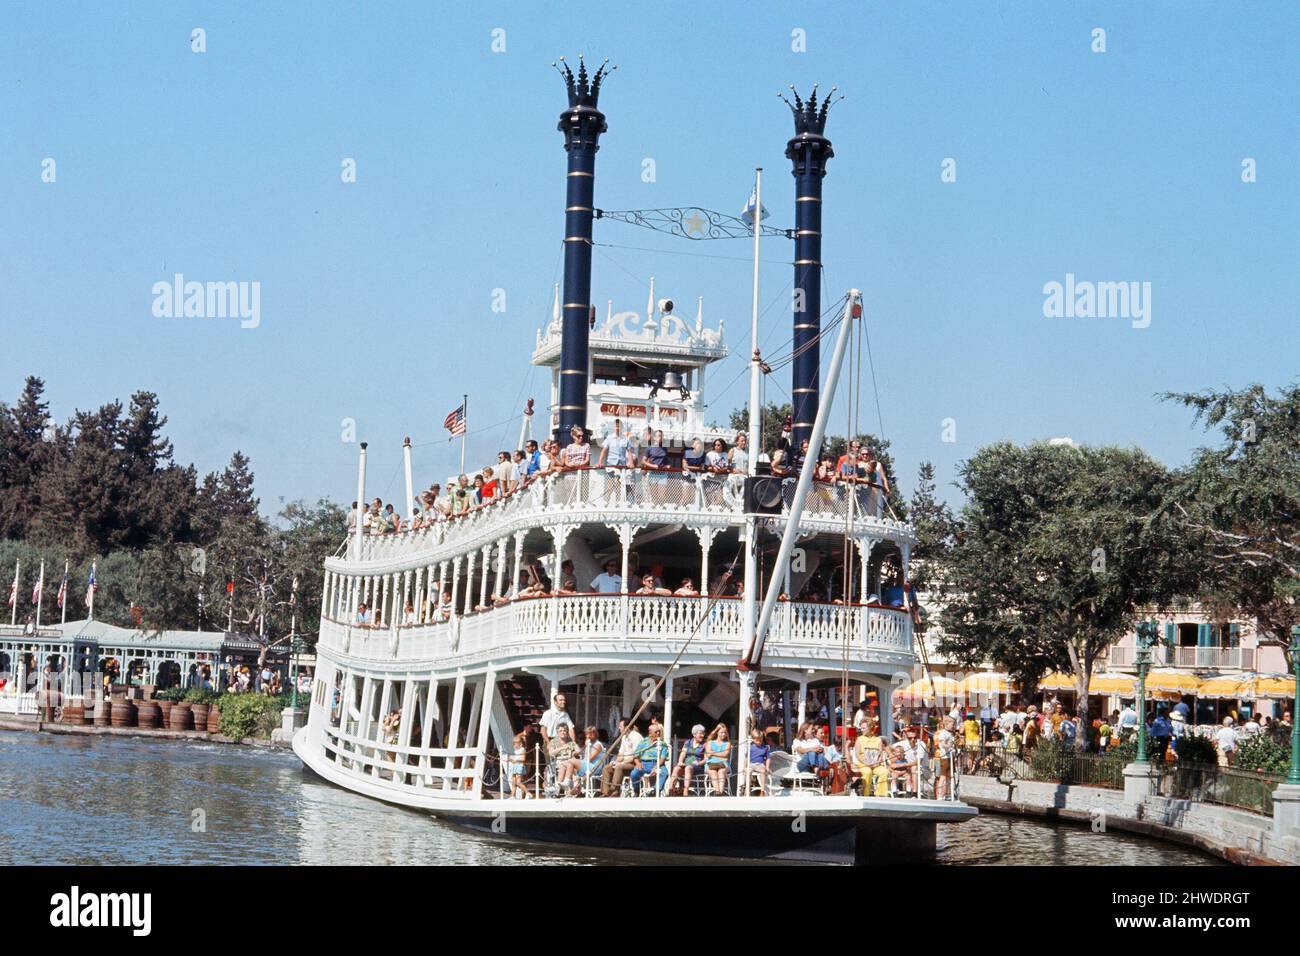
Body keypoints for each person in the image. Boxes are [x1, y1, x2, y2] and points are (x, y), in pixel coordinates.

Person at [600, 719, 643, 796]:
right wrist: (615, 762)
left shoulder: (636, 737)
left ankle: (614, 790)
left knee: (619, 767)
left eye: (620, 726)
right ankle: (605, 792)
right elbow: (621, 754)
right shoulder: (624, 737)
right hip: (624, 763)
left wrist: (621, 763)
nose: (619, 728)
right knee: (607, 768)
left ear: (627, 727)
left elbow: (635, 756)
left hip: (634, 763)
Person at [628, 724, 670, 794]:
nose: (658, 733)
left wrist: (656, 767)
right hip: (644, 764)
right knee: (634, 773)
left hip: (658, 764)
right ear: (650, 732)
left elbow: (662, 759)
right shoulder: (643, 742)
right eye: (656, 732)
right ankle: (636, 790)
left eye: (659, 731)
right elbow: (635, 756)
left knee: (664, 772)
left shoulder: (662, 744)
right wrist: (638, 764)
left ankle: (655, 791)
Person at [853, 720, 890, 797]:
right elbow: (857, 754)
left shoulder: (878, 740)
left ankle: (880, 794)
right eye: (861, 728)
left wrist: (877, 763)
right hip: (863, 764)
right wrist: (866, 763)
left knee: (884, 772)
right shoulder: (859, 739)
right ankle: (866, 793)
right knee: (867, 772)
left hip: (875, 764)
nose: (861, 730)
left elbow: (880, 754)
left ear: (870, 728)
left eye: (864, 728)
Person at [670, 724, 708, 795]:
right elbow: (683, 754)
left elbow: (706, 759)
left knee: (688, 768)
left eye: (703, 733)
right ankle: (671, 789)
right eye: (700, 733)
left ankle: (685, 790)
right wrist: (680, 762)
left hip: (697, 766)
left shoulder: (704, 744)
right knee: (676, 768)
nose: (702, 735)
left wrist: (699, 763)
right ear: (694, 734)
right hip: (686, 763)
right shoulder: (688, 742)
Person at [570, 726, 605, 796]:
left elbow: (589, 758)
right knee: (571, 765)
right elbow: (583, 755)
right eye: (587, 734)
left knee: (573, 762)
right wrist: (577, 752)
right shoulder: (590, 744)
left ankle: (577, 788)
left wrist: (587, 746)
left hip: (595, 767)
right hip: (588, 765)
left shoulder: (597, 745)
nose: (588, 736)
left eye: (591, 734)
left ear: (595, 734)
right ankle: (577, 789)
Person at [548, 725, 581, 796]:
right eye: (561, 731)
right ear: (557, 732)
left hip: (569, 759)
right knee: (568, 765)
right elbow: (551, 753)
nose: (563, 732)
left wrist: (574, 752)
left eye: (564, 731)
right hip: (559, 760)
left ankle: (565, 786)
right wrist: (562, 748)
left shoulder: (570, 741)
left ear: (567, 732)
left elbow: (578, 750)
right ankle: (572, 787)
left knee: (571, 764)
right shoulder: (553, 742)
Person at [705, 724, 732, 795]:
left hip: (723, 763)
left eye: (725, 732)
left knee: (721, 772)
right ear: (717, 732)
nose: (723, 734)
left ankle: (720, 792)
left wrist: (713, 753)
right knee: (713, 772)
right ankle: (717, 792)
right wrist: (720, 755)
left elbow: (725, 754)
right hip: (711, 763)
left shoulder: (727, 743)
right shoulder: (710, 742)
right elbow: (708, 754)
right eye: (721, 732)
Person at [934, 716, 957, 799]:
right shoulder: (943, 733)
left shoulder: (950, 733)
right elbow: (942, 744)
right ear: (947, 724)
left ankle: (947, 794)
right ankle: (940, 795)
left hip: (950, 756)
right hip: (945, 757)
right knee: (942, 777)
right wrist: (949, 746)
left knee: (950, 776)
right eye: (952, 724)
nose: (953, 726)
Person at [747, 726, 772, 795]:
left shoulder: (765, 748)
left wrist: (767, 767)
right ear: (753, 739)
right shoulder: (750, 747)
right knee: (747, 771)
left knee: (763, 771)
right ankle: (747, 787)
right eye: (757, 740)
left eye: (760, 740)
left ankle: (762, 790)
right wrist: (745, 766)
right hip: (751, 764)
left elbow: (768, 758)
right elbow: (746, 757)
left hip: (759, 764)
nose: (759, 742)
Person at [507, 732, 531, 799]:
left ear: (520, 743)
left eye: (516, 742)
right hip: (515, 766)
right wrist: (511, 759)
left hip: (519, 767)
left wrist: (515, 760)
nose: (514, 744)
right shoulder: (516, 750)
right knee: (513, 782)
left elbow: (523, 759)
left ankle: (528, 793)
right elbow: (516, 758)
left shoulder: (522, 749)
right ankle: (512, 796)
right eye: (513, 742)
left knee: (518, 782)